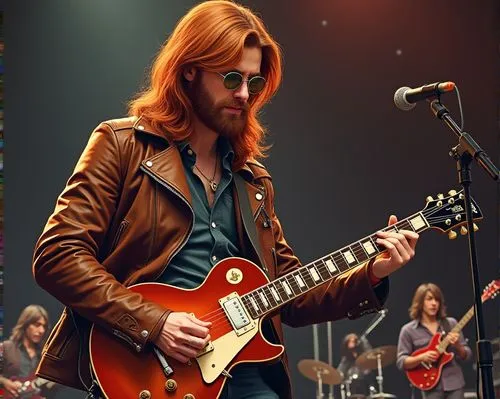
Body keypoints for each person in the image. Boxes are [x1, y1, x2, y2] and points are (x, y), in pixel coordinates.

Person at [32, 1, 419, 398]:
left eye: (253, 80)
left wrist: (373, 271)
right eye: (232, 78)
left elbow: (293, 294)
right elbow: (58, 255)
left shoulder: (252, 180)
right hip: (149, 368)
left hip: (248, 377)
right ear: (189, 71)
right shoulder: (122, 145)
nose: (244, 94)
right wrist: (156, 322)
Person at [397, 283, 472, 399]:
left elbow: (467, 356)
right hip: (429, 386)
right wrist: (422, 357)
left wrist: (457, 345)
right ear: (420, 302)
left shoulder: (450, 323)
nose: (434, 303)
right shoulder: (408, 330)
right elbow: (401, 362)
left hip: (454, 383)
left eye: (437, 300)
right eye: (429, 299)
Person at [0, 304, 56, 398]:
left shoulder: (44, 354)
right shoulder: (6, 347)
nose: (41, 330)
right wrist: (5, 382)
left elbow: (45, 388)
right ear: (25, 324)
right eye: (37, 325)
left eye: (44, 326)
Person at [337, 333, 375, 397]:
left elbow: (370, 354)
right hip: (350, 389)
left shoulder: (364, 356)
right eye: (349, 341)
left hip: (365, 384)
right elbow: (339, 373)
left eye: (353, 341)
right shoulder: (346, 359)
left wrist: (363, 341)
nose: (351, 343)